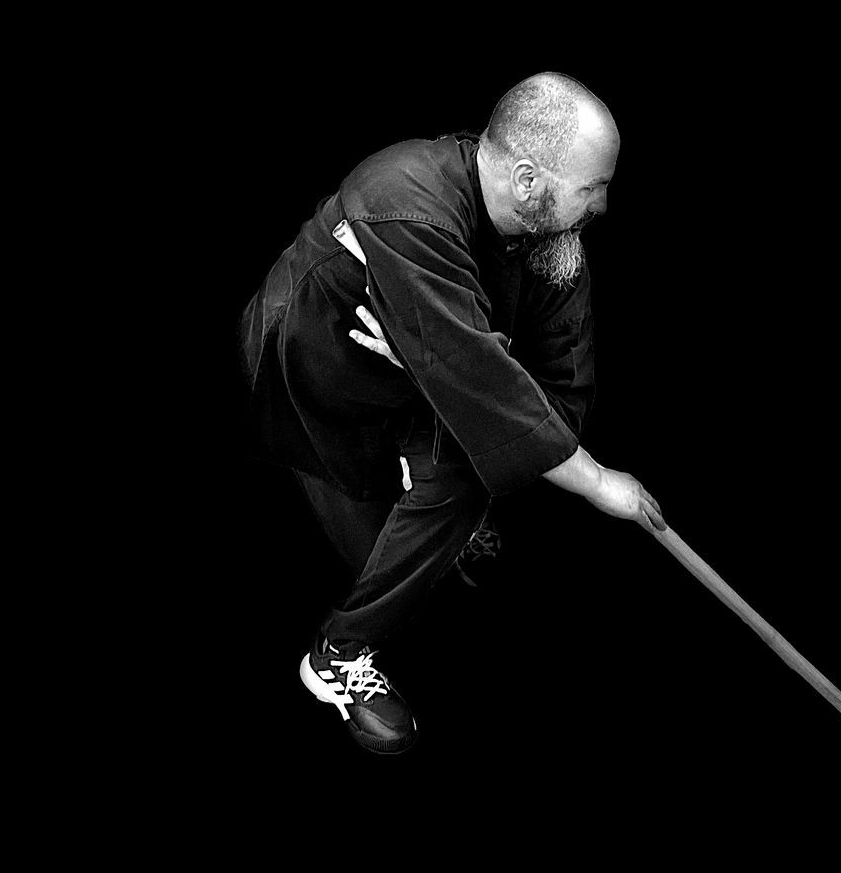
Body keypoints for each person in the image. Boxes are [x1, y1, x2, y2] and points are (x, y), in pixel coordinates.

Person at [237, 71, 666, 755]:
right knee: (386, 533)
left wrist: (443, 365)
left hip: (418, 376)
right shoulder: (403, 198)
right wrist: (597, 482)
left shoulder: (552, 241)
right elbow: (480, 376)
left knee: (462, 485)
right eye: (593, 187)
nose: (604, 204)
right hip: (317, 370)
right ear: (529, 180)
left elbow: (558, 386)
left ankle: (428, 507)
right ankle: (336, 658)